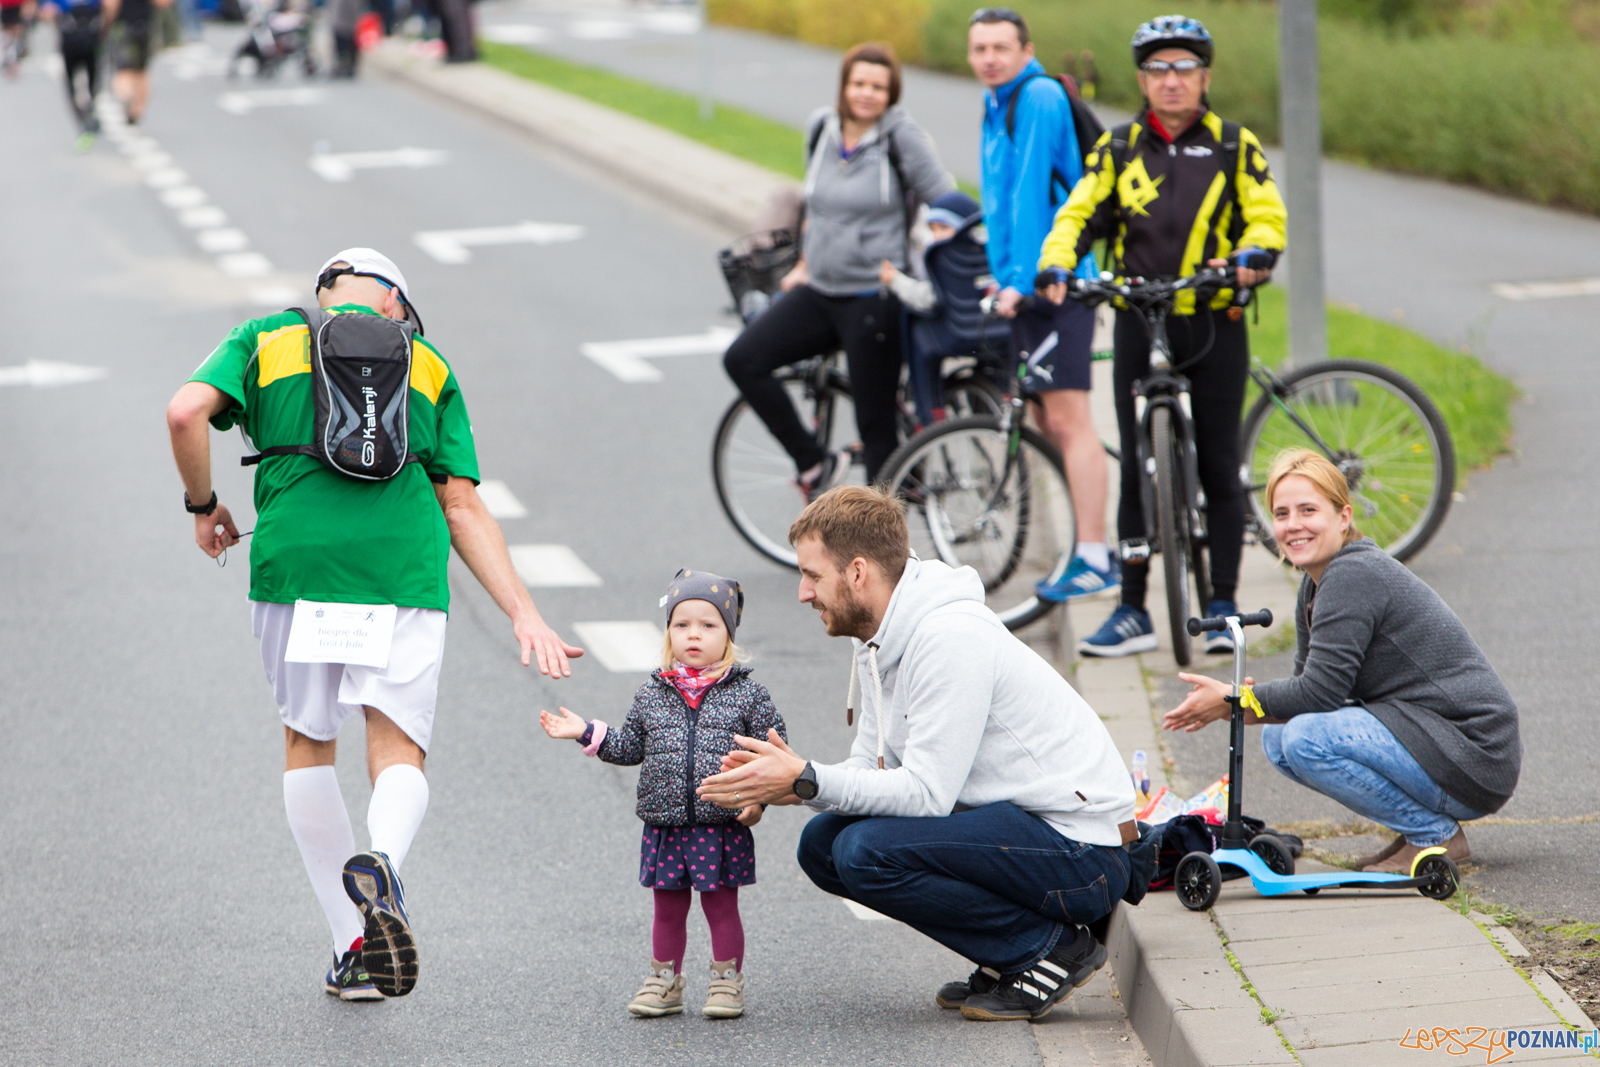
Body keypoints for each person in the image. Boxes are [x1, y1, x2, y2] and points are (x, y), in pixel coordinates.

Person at [165, 248, 582, 1000]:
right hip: (401, 571)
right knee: (396, 745)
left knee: (307, 742)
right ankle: (384, 861)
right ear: (395, 304)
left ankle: (351, 945)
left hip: (297, 567)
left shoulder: (269, 338)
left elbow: (184, 411)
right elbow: (461, 503)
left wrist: (204, 506)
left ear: (327, 293)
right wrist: (524, 612)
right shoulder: (426, 364)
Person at [697, 486, 1138, 1022]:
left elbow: (927, 793)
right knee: (823, 844)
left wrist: (809, 778)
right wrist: (794, 783)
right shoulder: (878, 633)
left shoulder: (948, 638)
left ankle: (1046, 949)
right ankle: (1006, 955)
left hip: (1081, 856)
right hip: (1024, 829)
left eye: (813, 576)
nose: (802, 593)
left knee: (864, 851)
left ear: (857, 572)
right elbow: (871, 766)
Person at [1037, 15, 1287, 656]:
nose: (1170, 81)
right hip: (1137, 316)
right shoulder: (1118, 149)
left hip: (1213, 318)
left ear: (1203, 78)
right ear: (1143, 81)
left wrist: (1257, 251)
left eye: (1182, 69)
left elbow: (1265, 213)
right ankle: (1131, 610)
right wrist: (1058, 261)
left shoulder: (1234, 146)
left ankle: (1225, 604)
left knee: (1219, 463)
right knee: (1137, 471)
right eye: (1157, 70)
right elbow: (1078, 213)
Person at [1164, 450, 1520, 873]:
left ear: (1343, 517)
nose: (1293, 524)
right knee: (1279, 738)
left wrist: (1234, 700)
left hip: (1474, 755)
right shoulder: (1316, 584)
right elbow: (1308, 690)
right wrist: (1244, 702)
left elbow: (1319, 694)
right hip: (1431, 738)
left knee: (1303, 739)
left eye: (1308, 510)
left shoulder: (1352, 576)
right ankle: (1419, 832)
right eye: (1281, 513)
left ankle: (1435, 836)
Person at [540, 570, 785, 1020]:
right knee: (667, 910)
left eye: (708, 625)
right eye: (681, 624)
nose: (693, 634)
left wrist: (757, 800)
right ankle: (664, 981)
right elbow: (631, 746)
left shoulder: (749, 695)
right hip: (666, 826)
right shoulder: (653, 693)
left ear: (728, 633)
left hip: (720, 825)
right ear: (668, 632)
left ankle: (727, 982)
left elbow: (773, 753)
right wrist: (588, 732)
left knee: (721, 907)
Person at [721, 42, 954, 490]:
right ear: (844, 86)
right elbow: (819, 207)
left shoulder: (900, 137)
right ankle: (813, 463)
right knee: (744, 359)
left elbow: (946, 202)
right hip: (820, 290)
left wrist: (946, 256)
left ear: (892, 93)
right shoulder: (821, 128)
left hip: (875, 298)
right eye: (859, 83)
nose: (867, 94)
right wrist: (805, 262)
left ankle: (893, 550)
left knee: (876, 427)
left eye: (878, 87)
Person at [967, 7, 1112, 604]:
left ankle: (1098, 557)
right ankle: (1087, 544)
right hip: (1026, 284)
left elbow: (1030, 196)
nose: (990, 58)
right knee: (1048, 419)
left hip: (1057, 284)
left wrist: (1020, 281)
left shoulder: (1039, 97)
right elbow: (997, 199)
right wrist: (998, 274)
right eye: (979, 49)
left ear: (1027, 49)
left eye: (1001, 47)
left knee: (1071, 421)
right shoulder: (997, 100)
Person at [876, 189, 1004, 427]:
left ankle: (930, 412)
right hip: (994, 333)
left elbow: (928, 298)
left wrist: (895, 280)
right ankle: (1004, 393)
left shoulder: (947, 259)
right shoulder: (989, 255)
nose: (936, 237)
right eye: (933, 230)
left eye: (943, 228)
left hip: (954, 334)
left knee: (915, 325)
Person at [37, 0, 104, 144]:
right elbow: (45, 11)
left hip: (88, 37)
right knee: (73, 83)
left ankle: (89, 111)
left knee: (91, 80)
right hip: (72, 39)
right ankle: (84, 120)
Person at [110, 0, 166, 124]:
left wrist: (107, 24)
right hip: (146, 26)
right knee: (142, 70)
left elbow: (111, 5)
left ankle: (126, 97)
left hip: (124, 27)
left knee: (124, 69)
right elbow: (164, 3)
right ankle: (137, 109)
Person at [1, 0, 34, 79]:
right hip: (6, 5)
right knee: (8, 31)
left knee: (16, 31)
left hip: (17, 4)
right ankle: (10, 57)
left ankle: (16, 57)